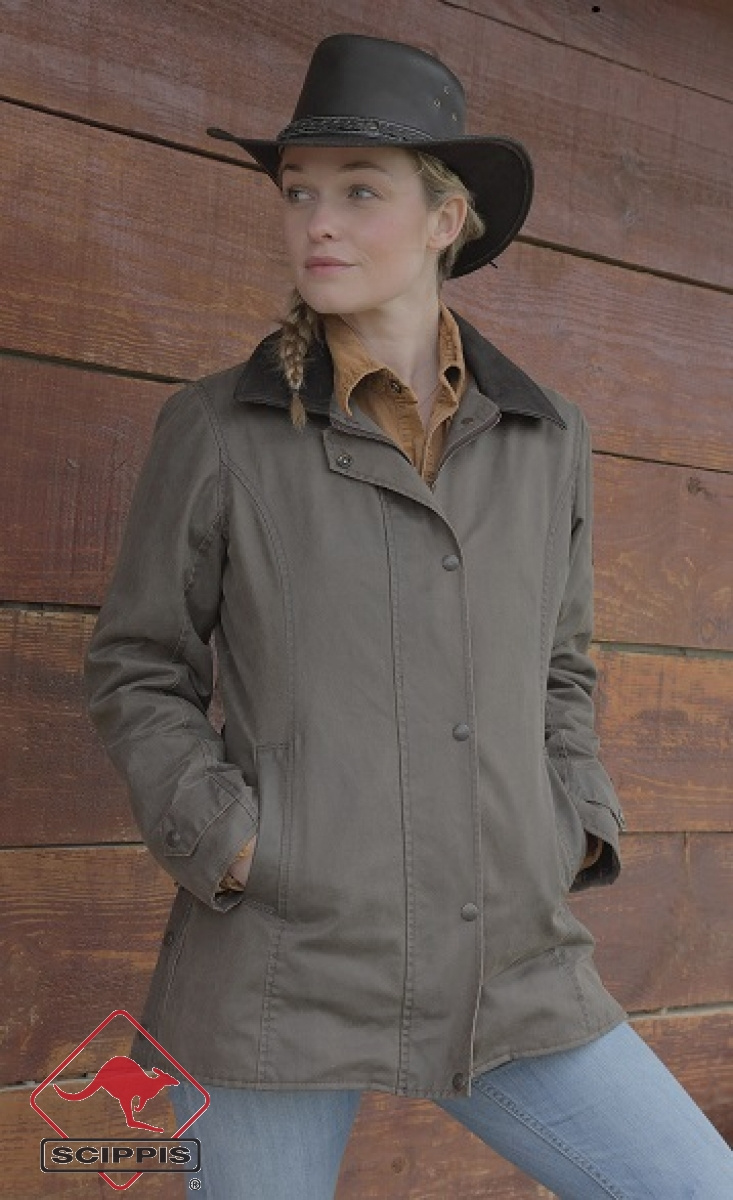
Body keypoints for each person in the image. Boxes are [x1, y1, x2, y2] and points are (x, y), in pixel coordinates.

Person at [84, 33, 733, 1200]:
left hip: (506, 950)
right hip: (280, 959)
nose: (317, 224)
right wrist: (233, 841)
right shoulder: (221, 431)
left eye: (359, 192)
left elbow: (561, 663)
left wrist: (569, 820)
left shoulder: (547, 439)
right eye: (298, 192)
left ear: (447, 220)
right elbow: (139, 665)